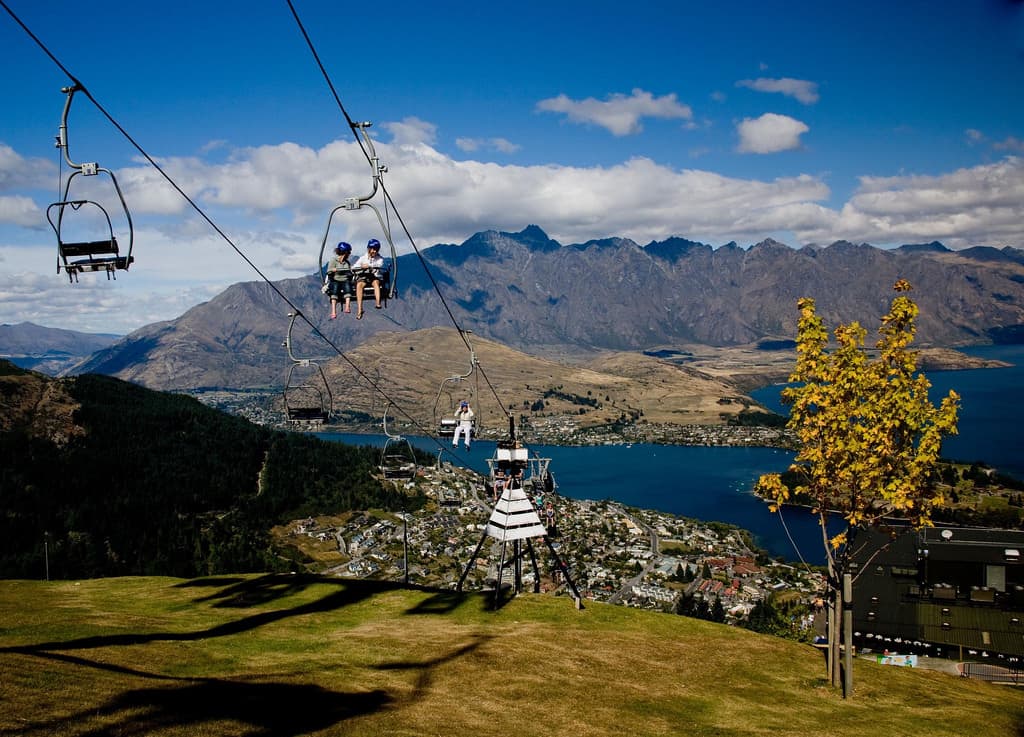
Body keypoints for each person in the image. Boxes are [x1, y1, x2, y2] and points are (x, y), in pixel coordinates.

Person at [354, 238, 385, 319]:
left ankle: (378, 302)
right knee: (359, 285)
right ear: (369, 249)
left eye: (376, 250)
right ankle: (360, 309)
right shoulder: (363, 258)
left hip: (374, 276)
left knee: (376, 283)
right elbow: (354, 267)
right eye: (373, 249)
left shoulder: (379, 258)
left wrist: (369, 266)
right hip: (364, 277)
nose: (375, 251)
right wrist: (362, 266)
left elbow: (379, 265)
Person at [325, 242, 354, 319]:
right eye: (348, 252)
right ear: (345, 252)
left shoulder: (347, 263)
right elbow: (328, 271)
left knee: (348, 287)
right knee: (335, 289)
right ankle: (333, 311)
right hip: (335, 279)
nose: (349, 254)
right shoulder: (334, 260)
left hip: (344, 279)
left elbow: (349, 272)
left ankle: (347, 306)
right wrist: (333, 270)